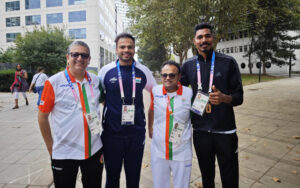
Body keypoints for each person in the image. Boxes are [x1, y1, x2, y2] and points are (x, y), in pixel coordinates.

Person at [180, 23, 243, 188]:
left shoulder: (228, 62)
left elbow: (239, 97)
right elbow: (176, 89)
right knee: (207, 177)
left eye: (207, 36)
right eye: (199, 37)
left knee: (230, 177)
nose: (204, 40)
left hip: (225, 131)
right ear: (194, 41)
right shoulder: (188, 65)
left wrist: (224, 98)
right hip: (201, 132)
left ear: (213, 38)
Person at [38, 41, 103, 188]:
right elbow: (42, 118)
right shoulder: (53, 82)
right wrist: (51, 148)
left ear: (89, 59)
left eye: (84, 55)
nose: (80, 58)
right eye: (75, 54)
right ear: (68, 57)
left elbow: (105, 104)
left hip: (94, 150)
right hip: (64, 153)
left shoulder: (96, 81)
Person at [98, 33, 156, 188]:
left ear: (134, 49)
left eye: (130, 47)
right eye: (122, 47)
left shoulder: (143, 71)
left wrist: (150, 125)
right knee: (111, 178)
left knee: (133, 178)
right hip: (111, 135)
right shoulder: (105, 71)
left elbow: (157, 94)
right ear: (116, 49)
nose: (126, 50)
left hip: (136, 134)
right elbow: (100, 97)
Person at [148, 61, 193, 188]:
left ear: (179, 76)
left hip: (182, 151)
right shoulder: (155, 91)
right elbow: (151, 109)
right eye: (164, 75)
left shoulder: (189, 93)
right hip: (159, 151)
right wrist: (149, 128)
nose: (168, 78)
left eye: (172, 75)